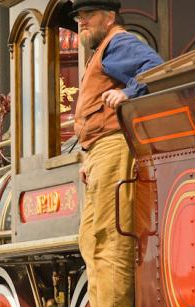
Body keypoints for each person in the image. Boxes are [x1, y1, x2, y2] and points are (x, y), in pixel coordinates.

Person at [71, 0, 163, 306]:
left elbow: (154, 67)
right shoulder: (101, 51)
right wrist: (87, 156)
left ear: (109, 17)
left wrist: (129, 91)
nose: (81, 20)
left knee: (110, 242)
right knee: (92, 241)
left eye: (89, 14)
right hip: (100, 151)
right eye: (79, 16)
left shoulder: (118, 42)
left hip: (114, 145)